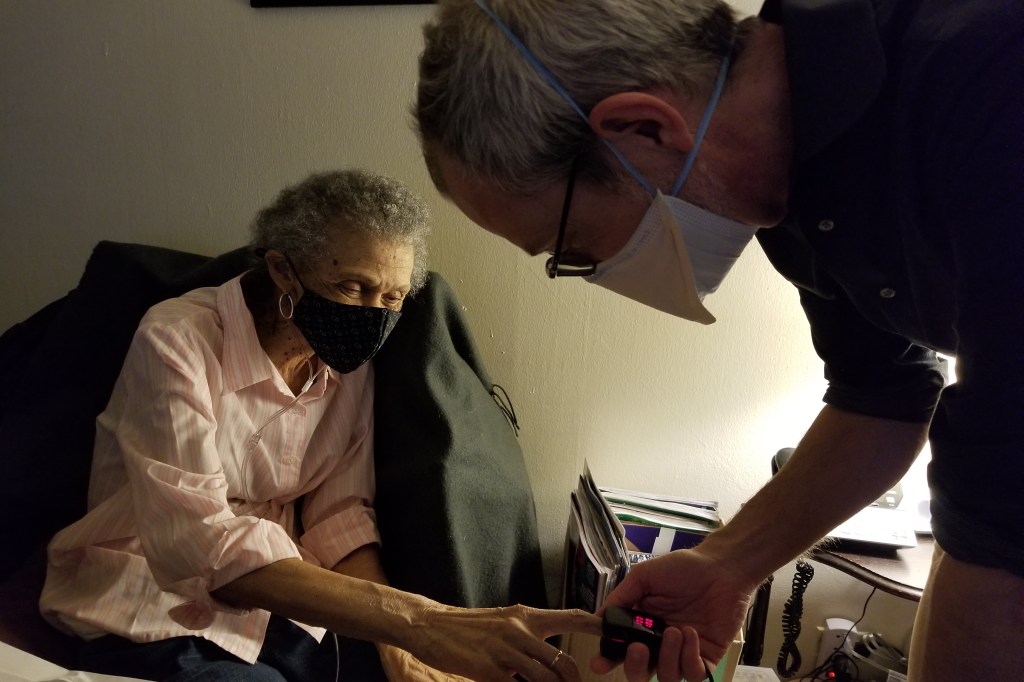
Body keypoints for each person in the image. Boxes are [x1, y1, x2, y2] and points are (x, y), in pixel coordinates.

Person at [413, 1, 1024, 681]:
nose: (592, 270)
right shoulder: (786, 179)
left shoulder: (987, 74)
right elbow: (881, 396)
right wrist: (726, 564)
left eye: (572, 246)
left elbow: (1001, 514)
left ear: (642, 127)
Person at [40, 170, 599, 682]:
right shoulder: (177, 340)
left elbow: (339, 516)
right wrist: (417, 622)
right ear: (283, 269)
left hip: (281, 609)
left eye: (393, 297)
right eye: (353, 288)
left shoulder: (346, 361)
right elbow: (197, 544)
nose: (374, 314)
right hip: (149, 599)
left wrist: (398, 649)